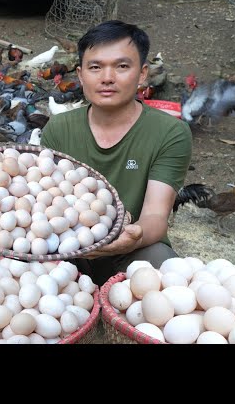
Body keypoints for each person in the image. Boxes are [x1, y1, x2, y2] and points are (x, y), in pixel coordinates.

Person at [40, 20, 192, 285]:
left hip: (131, 248)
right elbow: (44, 200)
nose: (107, 77)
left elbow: (156, 214)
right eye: (95, 67)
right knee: (17, 264)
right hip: (65, 245)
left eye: (122, 66)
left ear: (143, 74)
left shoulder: (170, 132)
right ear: (80, 74)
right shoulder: (59, 128)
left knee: (163, 264)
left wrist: (135, 236)